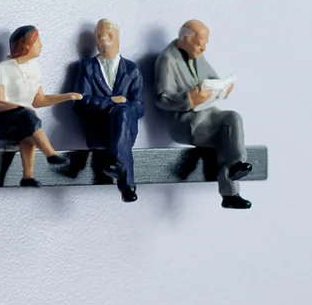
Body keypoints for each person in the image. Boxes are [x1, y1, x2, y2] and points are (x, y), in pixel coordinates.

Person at [154, 19, 253, 209]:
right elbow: (162, 98)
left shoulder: (197, 55)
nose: (203, 49)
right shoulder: (167, 60)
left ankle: (237, 165)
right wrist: (190, 99)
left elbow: (212, 79)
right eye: (200, 44)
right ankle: (230, 192)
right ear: (185, 39)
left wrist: (223, 88)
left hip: (207, 115)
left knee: (233, 117)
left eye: (205, 43)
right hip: (187, 122)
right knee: (226, 135)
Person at [0, 25, 81, 187]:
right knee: (27, 116)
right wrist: (21, 109)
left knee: (28, 127)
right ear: (27, 44)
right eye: (38, 41)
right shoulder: (2, 69)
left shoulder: (35, 68)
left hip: (24, 121)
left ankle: (27, 177)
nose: (41, 45)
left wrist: (66, 96)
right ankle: (50, 153)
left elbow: (39, 100)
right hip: (2, 123)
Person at [72, 18, 144, 202]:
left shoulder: (132, 69)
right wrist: (110, 102)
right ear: (95, 41)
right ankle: (126, 183)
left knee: (124, 111)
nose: (104, 39)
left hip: (125, 129)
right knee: (120, 110)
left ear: (118, 38)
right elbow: (80, 102)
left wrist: (121, 108)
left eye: (109, 35)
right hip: (100, 131)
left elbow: (140, 106)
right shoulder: (87, 67)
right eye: (99, 35)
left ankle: (116, 162)